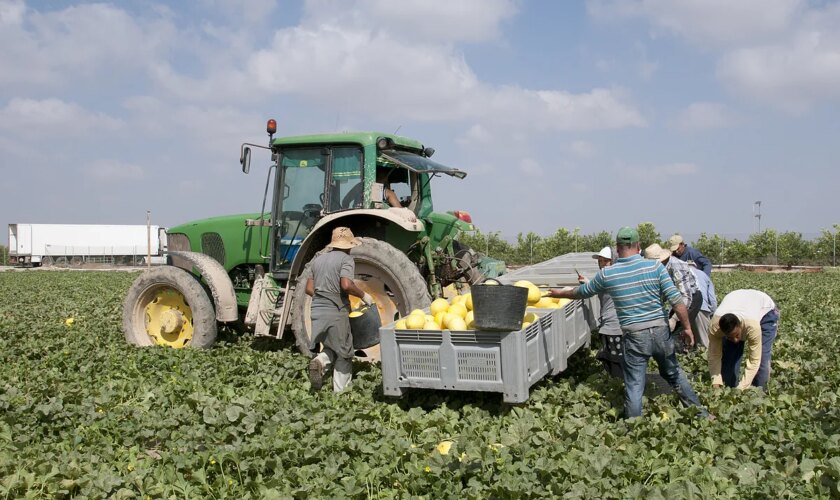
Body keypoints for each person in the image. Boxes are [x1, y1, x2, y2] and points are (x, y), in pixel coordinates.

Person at [547, 227, 709, 419]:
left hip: (635, 335)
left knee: (634, 384)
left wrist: (559, 293)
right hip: (660, 331)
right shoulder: (655, 267)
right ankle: (701, 415)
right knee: (674, 373)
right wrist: (688, 328)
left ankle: (634, 428)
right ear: (639, 246)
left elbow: (581, 292)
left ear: (617, 249)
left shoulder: (608, 274)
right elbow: (677, 301)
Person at [306, 227, 374, 392]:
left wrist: (324, 294)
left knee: (331, 346)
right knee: (344, 352)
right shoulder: (346, 259)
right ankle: (340, 394)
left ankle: (320, 361)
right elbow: (346, 284)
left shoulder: (317, 260)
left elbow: (308, 288)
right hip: (335, 311)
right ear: (349, 245)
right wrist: (364, 295)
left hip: (317, 312)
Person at [708, 289, 779, 391]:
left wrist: (742, 388)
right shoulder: (715, 328)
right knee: (729, 357)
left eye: (737, 335)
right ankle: (729, 389)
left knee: (762, 357)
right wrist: (716, 381)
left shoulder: (752, 326)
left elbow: (754, 361)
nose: (736, 340)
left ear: (740, 326)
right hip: (737, 301)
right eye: (729, 337)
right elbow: (714, 355)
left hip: (766, 311)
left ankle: (760, 392)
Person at [644, 243, 702, 353]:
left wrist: (674, 319)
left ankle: (681, 359)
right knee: (668, 331)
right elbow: (662, 294)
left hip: (691, 299)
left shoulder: (677, 266)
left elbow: (686, 296)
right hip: (678, 300)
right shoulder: (659, 268)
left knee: (676, 332)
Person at [589, 246, 624, 378]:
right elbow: (595, 287)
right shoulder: (615, 275)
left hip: (614, 327)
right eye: (600, 261)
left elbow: (590, 289)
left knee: (616, 360)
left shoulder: (608, 277)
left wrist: (566, 291)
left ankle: (619, 388)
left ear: (614, 261)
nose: (603, 264)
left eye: (606, 261)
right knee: (615, 359)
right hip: (613, 326)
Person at [689, 261, 717, 349]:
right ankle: (706, 362)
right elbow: (712, 298)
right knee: (705, 342)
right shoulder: (703, 275)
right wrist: (713, 312)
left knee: (689, 342)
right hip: (701, 308)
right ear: (696, 266)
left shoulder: (681, 273)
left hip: (684, 310)